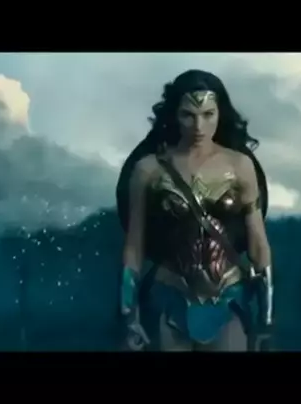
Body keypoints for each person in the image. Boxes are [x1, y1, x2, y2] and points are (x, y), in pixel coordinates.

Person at [115, 69, 273, 352]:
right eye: (188, 115)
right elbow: (134, 246)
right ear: (174, 114)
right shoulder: (148, 170)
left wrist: (266, 318)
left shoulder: (240, 166)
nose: (199, 126)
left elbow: (258, 242)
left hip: (228, 295)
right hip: (170, 292)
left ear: (220, 113)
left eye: (208, 114)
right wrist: (129, 314)